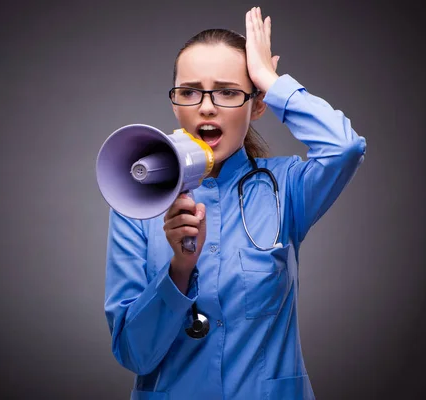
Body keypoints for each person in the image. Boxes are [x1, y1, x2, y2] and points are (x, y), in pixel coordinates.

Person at [103, 6, 366, 400]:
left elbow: (344, 147)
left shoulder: (285, 186)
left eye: (228, 91)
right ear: (176, 105)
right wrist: (179, 268)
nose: (207, 106)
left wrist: (272, 82)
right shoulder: (136, 202)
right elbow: (133, 355)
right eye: (190, 91)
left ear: (256, 105)